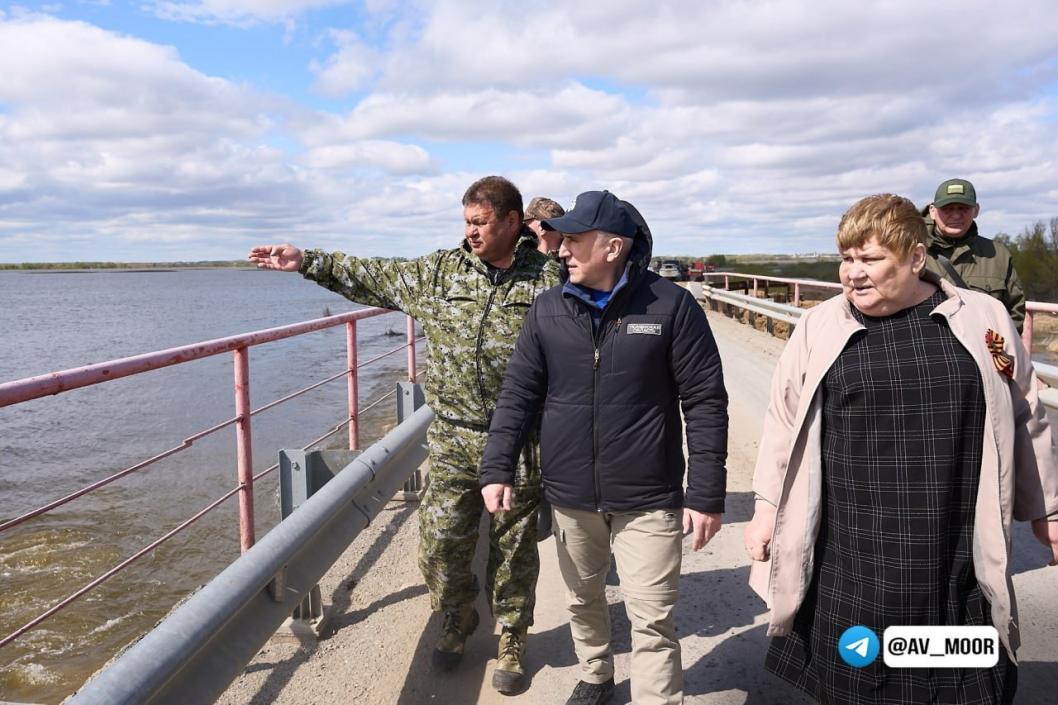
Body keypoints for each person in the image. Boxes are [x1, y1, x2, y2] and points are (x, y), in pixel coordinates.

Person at [247, 176, 559, 695]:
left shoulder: (546, 280)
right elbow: (370, 275)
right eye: (466, 221)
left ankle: (512, 633)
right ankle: (458, 616)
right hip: (455, 436)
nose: (471, 232)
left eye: (480, 223)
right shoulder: (438, 272)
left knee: (515, 543)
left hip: (522, 438)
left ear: (510, 222)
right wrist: (306, 261)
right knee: (440, 544)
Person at [744, 194, 1058, 705]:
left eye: (870, 259)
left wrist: (1047, 509)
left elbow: (1026, 414)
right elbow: (784, 424)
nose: (853, 273)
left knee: (962, 676)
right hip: (850, 550)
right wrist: (765, 510)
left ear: (915, 258)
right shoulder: (820, 326)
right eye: (847, 258)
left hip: (955, 543)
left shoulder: (982, 318)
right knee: (859, 676)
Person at [479, 190, 728, 705]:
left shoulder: (670, 306)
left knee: (651, 617)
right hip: (570, 493)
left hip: (649, 497)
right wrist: (496, 467)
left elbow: (704, 402)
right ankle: (595, 674)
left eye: (573, 239)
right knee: (582, 598)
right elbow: (519, 395)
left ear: (613, 247)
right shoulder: (548, 309)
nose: (561, 249)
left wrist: (705, 493)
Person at [923, 178, 1026, 331]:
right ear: (932, 211)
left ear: (976, 210)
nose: (956, 215)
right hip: (929, 350)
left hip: (982, 351)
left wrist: (998, 350)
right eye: (947, 208)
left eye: (963, 208)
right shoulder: (910, 252)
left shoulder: (998, 255)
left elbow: (1014, 312)